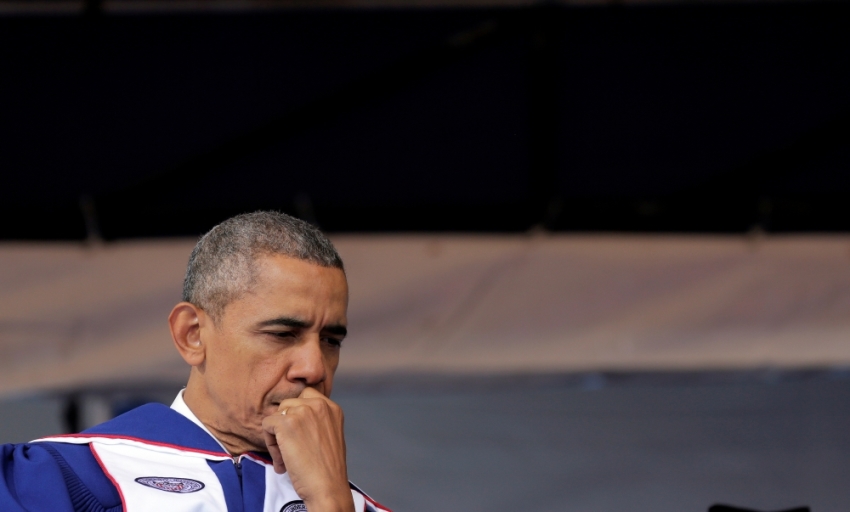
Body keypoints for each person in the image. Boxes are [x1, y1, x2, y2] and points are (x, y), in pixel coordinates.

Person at [0, 211, 390, 512]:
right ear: (192, 334)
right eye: (282, 334)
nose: (315, 368)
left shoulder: (356, 506)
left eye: (331, 340)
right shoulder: (59, 474)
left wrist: (329, 499)